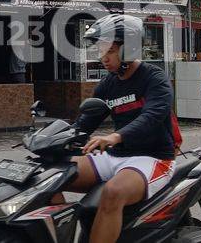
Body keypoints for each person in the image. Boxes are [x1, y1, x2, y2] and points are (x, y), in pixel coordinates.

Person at [66, 14, 183, 243]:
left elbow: (152, 116)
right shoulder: (108, 84)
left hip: (153, 158)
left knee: (113, 193)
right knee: (55, 175)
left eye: (109, 51)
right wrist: (51, 139)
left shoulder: (154, 78)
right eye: (100, 51)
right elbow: (85, 124)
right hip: (115, 155)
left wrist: (115, 136)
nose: (103, 58)